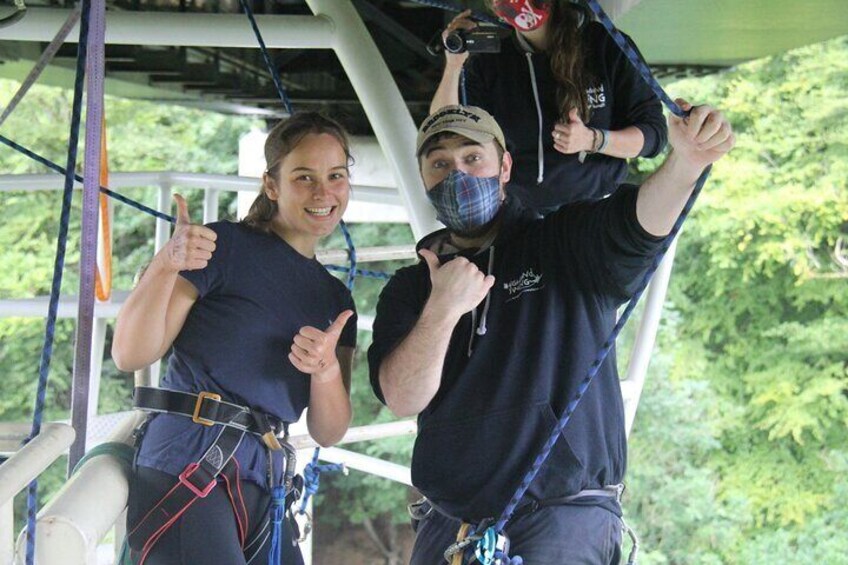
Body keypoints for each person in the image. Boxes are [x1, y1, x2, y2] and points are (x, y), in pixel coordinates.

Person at [368, 103, 733, 563]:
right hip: (448, 519)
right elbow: (403, 397)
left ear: (504, 167)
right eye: (439, 164)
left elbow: (640, 225)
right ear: (424, 180)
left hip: (563, 516)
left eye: (472, 158)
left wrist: (685, 163)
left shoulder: (564, 242)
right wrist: (442, 308)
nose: (457, 174)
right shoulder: (409, 288)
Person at [112, 112, 358, 565]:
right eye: (303, 177)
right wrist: (167, 264)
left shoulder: (334, 296)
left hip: (264, 478)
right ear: (271, 185)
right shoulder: (221, 246)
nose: (323, 193)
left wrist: (324, 372)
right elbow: (131, 353)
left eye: (335, 176)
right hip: (187, 459)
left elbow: (330, 429)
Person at [431, 0, 668, 213]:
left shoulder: (605, 44)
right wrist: (454, 65)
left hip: (599, 211)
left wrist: (593, 140)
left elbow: (654, 135)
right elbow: (444, 131)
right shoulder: (489, 64)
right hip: (523, 217)